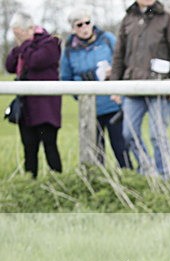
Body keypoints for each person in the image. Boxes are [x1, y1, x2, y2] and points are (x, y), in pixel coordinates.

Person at [110, 0, 170, 179]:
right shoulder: (128, 19)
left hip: (159, 87)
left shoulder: (166, 17)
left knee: (158, 136)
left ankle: (165, 176)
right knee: (128, 133)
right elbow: (119, 54)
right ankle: (147, 169)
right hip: (133, 87)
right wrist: (114, 86)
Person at [60, 6, 130, 169]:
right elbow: (66, 78)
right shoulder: (69, 50)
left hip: (113, 105)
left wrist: (113, 74)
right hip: (89, 109)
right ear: (73, 29)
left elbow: (123, 63)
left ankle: (129, 183)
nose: (84, 28)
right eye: (79, 25)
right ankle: (98, 185)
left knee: (122, 150)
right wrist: (81, 93)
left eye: (87, 22)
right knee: (95, 155)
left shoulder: (107, 39)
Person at [4, 12, 62, 178]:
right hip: (27, 109)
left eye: (19, 33)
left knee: (50, 146)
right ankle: (31, 184)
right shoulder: (23, 47)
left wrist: (24, 45)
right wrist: (19, 47)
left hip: (45, 109)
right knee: (29, 149)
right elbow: (9, 66)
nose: (18, 38)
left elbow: (36, 61)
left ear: (29, 29)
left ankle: (59, 183)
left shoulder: (50, 43)